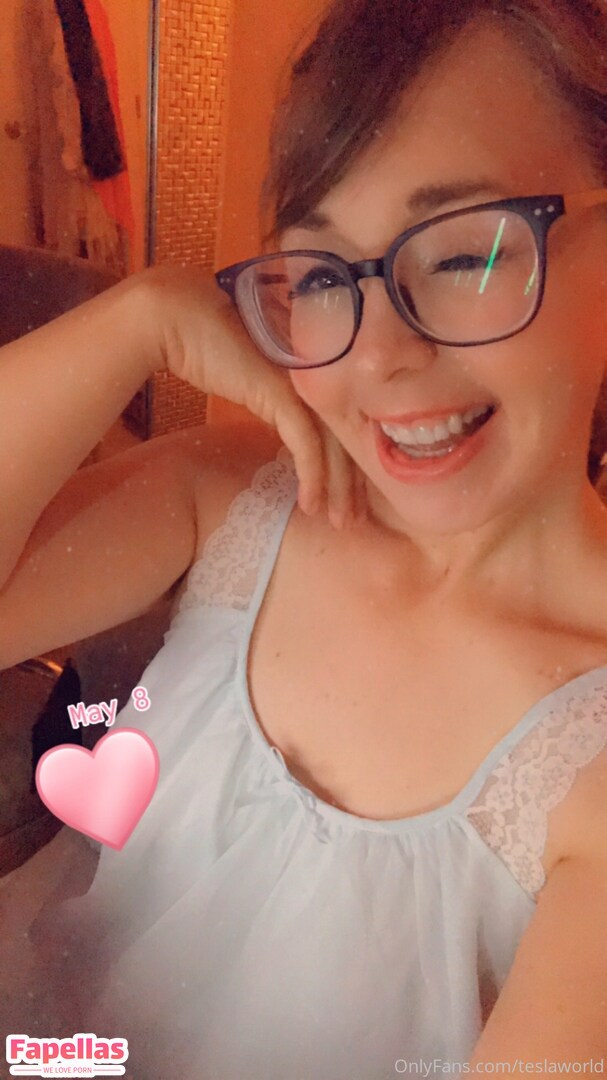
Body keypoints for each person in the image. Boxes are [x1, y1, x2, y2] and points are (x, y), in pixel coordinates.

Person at [1, 0, 607, 1074]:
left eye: (462, 254)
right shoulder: (241, 495)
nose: (377, 355)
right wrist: (137, 318)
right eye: (324, 276)